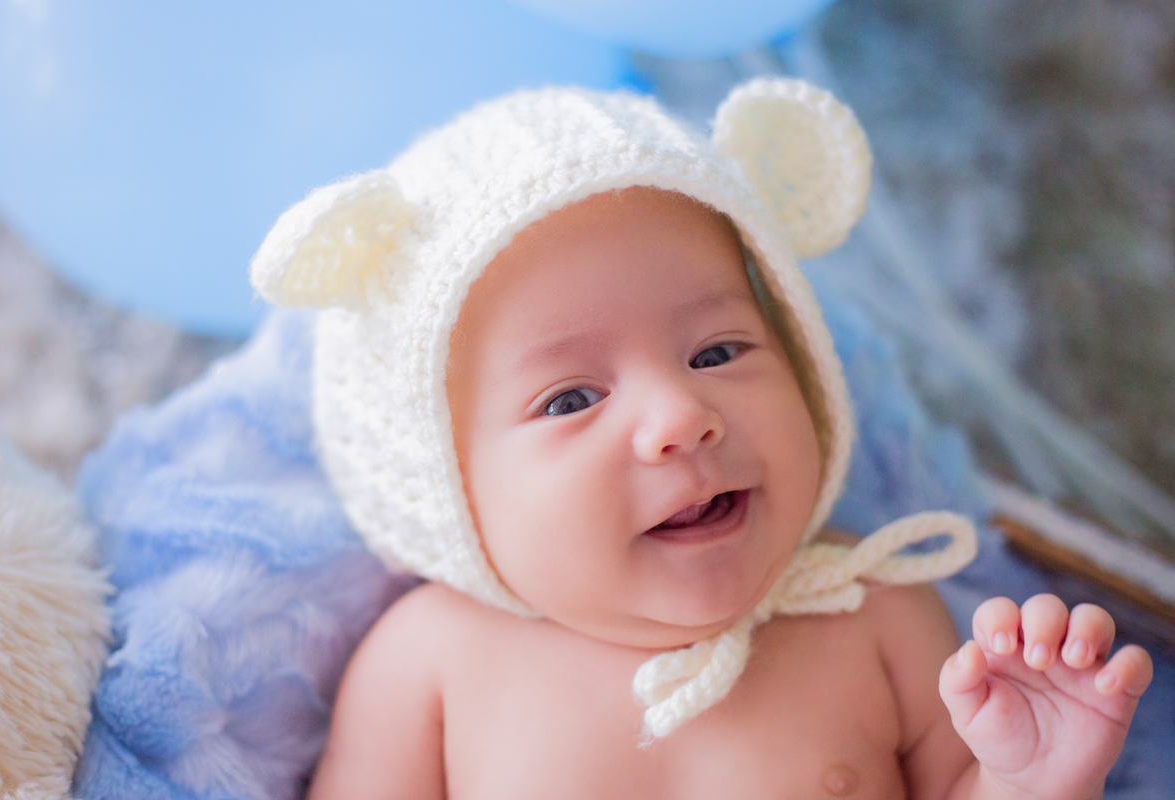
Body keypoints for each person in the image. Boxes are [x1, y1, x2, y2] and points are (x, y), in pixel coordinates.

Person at [249, 79, 1153, 799]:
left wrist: (1030, 776)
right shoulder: (430, 665)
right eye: (570, 399)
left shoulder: (873, 610)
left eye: (717, 350)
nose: (682, 416)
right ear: (441, 485)